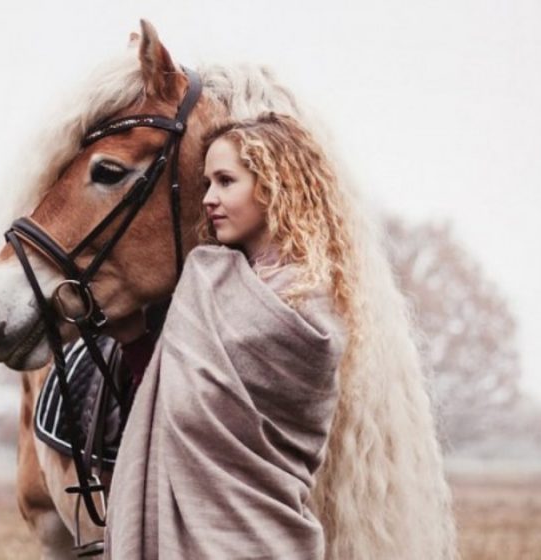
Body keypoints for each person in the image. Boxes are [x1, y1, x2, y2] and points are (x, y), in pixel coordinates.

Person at [104, 112, 362, 559]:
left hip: (266, 537)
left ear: (272, 185)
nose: (209, 198)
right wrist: (133, 340)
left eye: (226, 181)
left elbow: (203, 410)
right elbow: (170, 406)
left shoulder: (310, 309)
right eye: (206, 184)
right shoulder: (205, 284)